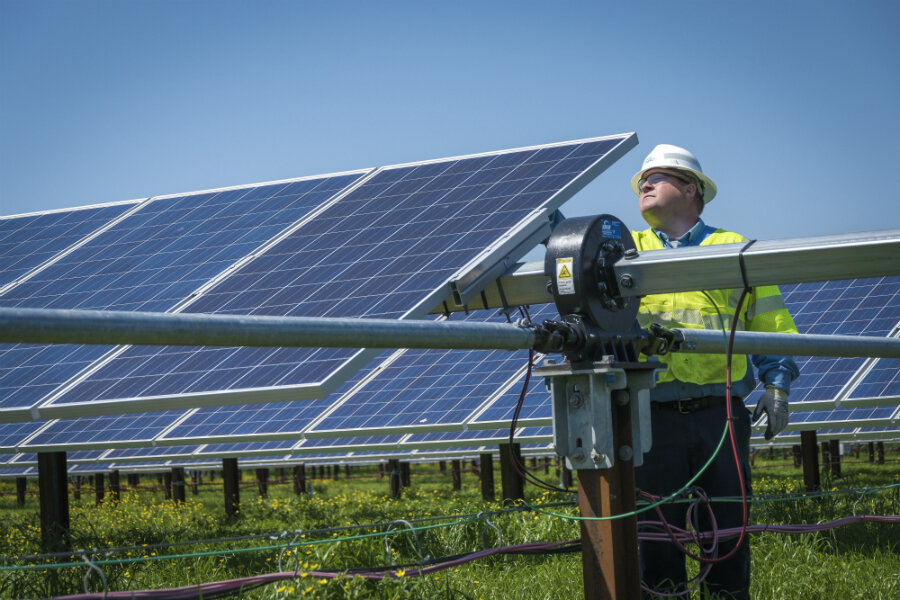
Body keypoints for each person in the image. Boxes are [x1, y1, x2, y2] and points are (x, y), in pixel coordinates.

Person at [629, 144, 800, 599]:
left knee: (726, 532)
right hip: (650, 417)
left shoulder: (735, 249)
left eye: (657, 177)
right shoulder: (624, 250)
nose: (643, 184)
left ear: (690, 189)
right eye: (641, 180)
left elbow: (771, 327)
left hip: (720, 415)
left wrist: (777, 385)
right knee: (656, 535)